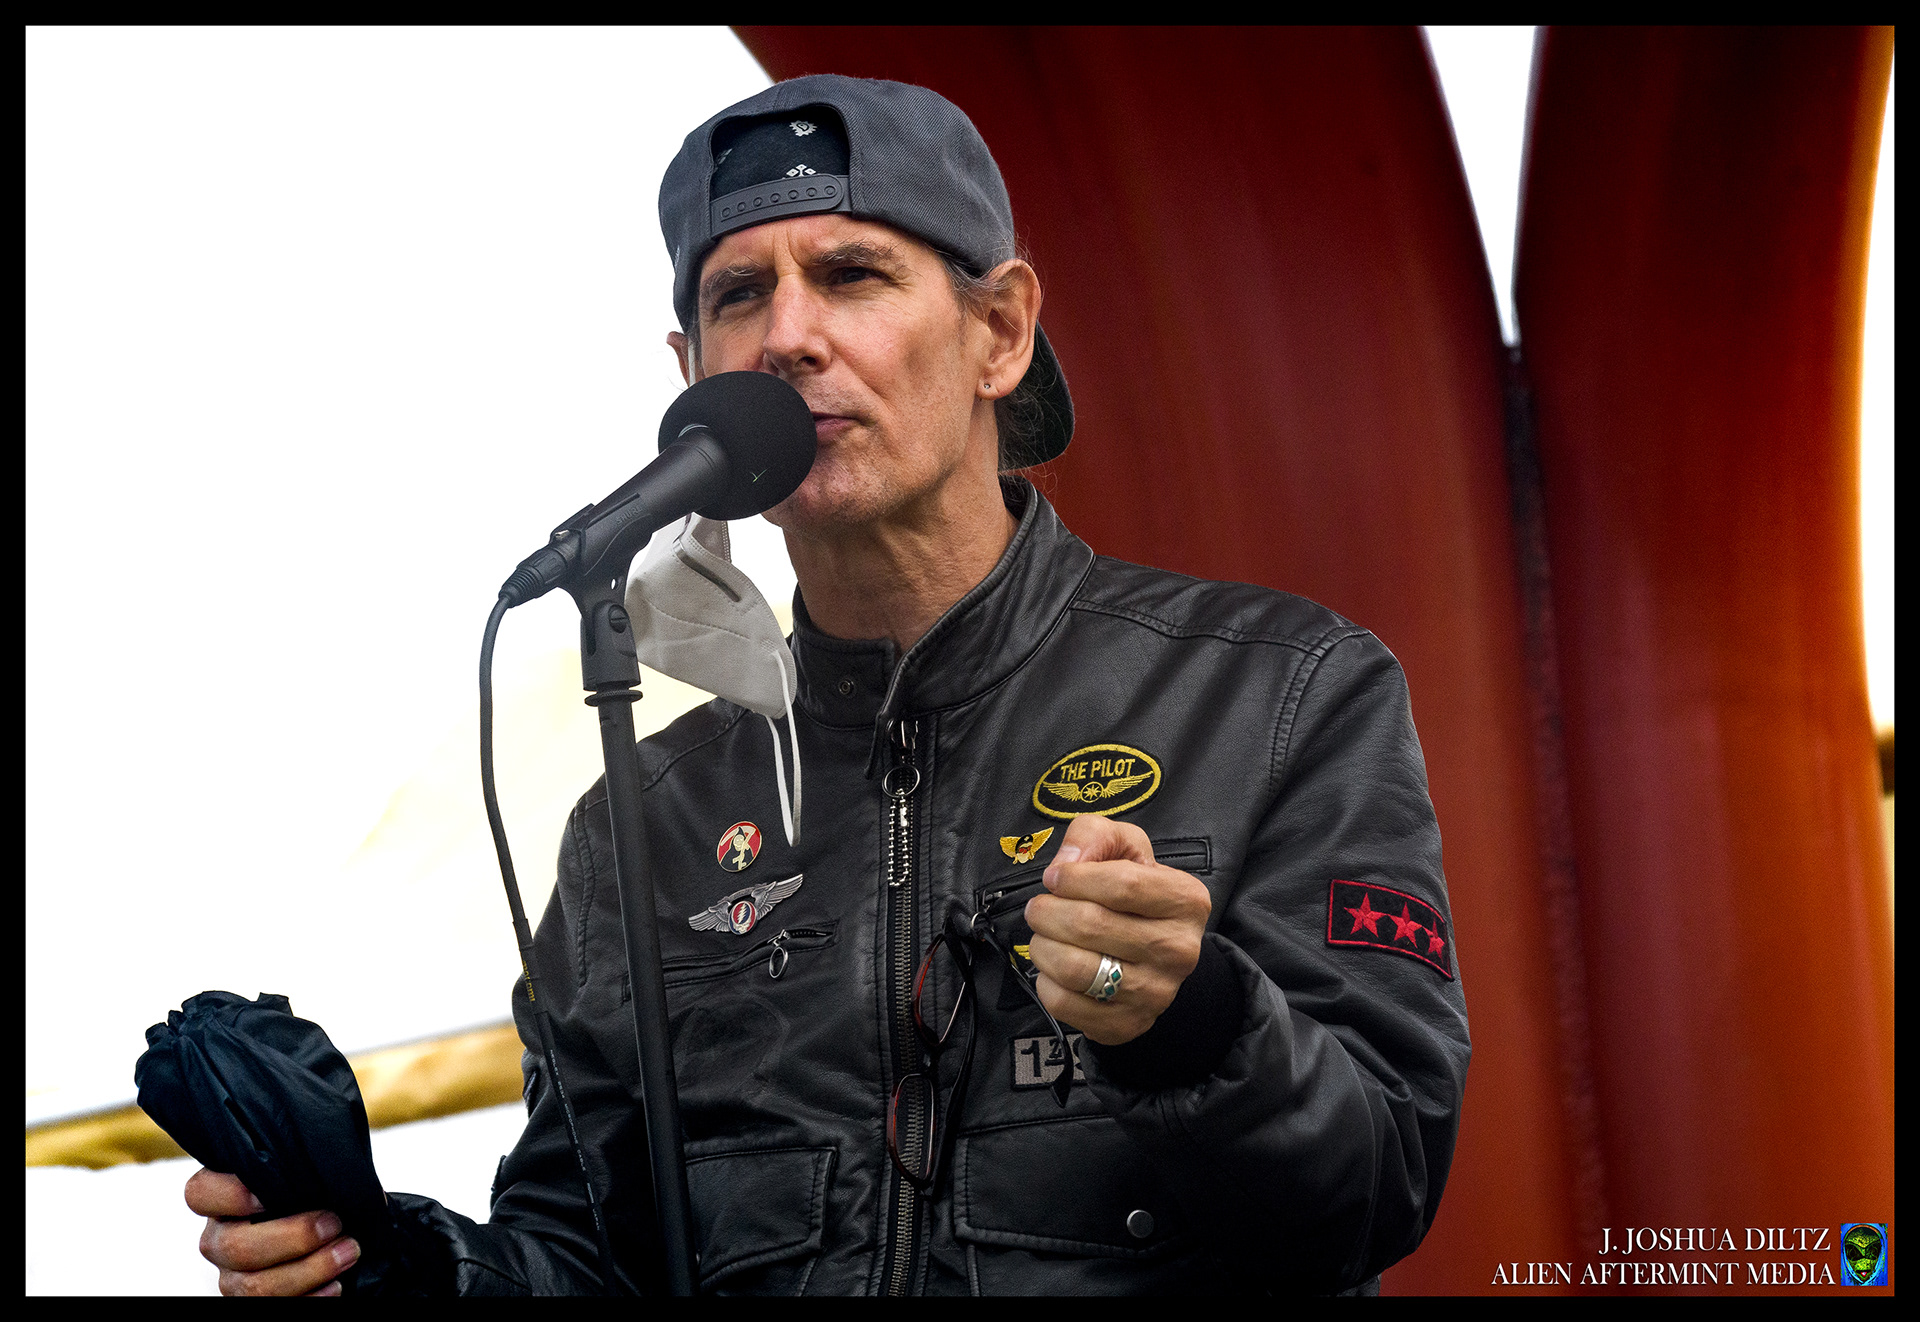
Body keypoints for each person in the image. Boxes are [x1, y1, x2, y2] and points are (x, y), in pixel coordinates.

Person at [190, 74, 1470, 1296]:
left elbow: (1381, 1184)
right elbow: (589, 1253)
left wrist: (1195, 1022)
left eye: (852, 274)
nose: (790, 335)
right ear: (694, 374)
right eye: (741, 293)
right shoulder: (640, 824)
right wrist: (385, 1258)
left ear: (1001, 332)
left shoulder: (1286, 693)